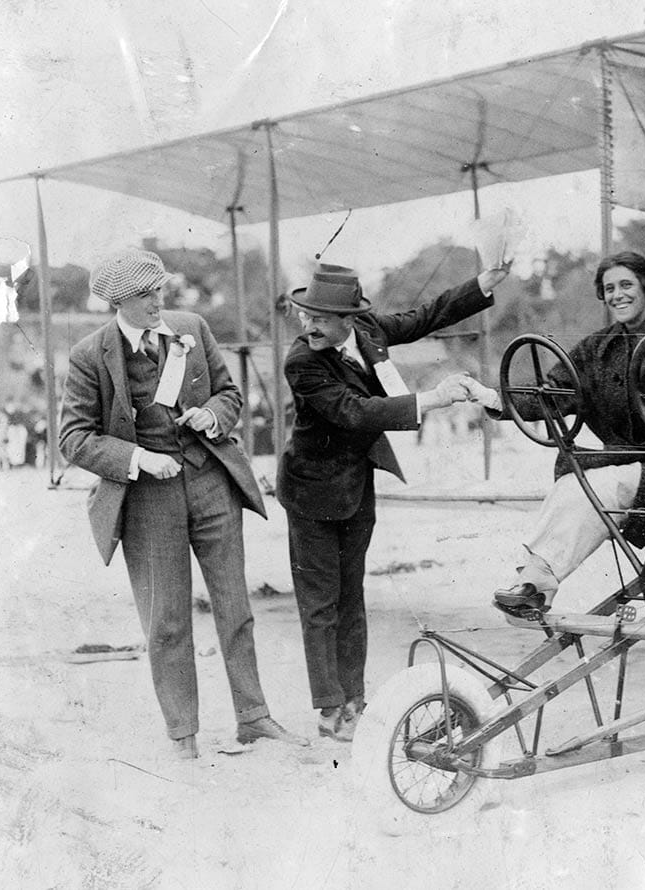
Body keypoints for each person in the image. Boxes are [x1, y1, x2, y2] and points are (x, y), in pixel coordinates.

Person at [60, 248, 307, 760]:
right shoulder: (90, 355)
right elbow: (74, 438)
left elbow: (230, 394)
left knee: (235, 609)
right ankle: (184, 736)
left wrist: (212, 418)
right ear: (117, 302)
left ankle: (254, 718)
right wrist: (139, 459)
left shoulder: (190, 326)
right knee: (166, 621)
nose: (158, 301)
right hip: (148, 499)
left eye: (159, 290)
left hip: (212, 484)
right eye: (145, 295)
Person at [278, 261, 509, 742]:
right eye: (305, 315)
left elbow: (425, 316)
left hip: (355, 485)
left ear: (348, 318)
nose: (309, 325)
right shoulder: (302, 361)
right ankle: (329, 710)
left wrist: (482, 282)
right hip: (311, 493)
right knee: (321, 603)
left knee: (352, 595)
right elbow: (354, 412)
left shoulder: (366, 329)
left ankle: (354, 700)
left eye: (320, 317)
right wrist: (432, 400)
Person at [484, 251, 645, 616]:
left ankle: (536, 585)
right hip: (622, 463)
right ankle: (535, 584)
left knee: (592, 486)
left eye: (626, 285)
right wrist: (494, 398)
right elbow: (551, 395)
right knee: (574, 484)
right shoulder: (596, 349)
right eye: (608, 288)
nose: (617, 294)